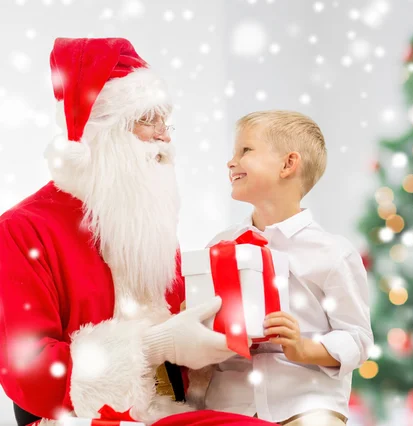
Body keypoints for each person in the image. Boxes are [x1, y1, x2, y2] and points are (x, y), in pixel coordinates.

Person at [0, 38, 274, 426]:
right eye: (148, 120)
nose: (165, 136)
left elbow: (183, 335)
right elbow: (32, 374)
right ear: (103, 130)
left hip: (170, 412)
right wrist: (152, 346)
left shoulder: (147, 220)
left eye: (167, 121)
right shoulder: (22, 229)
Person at [204, 110, 373, 425]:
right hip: (230, 405)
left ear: (288, 164)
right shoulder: (220, 247)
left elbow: (357, 338)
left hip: (306, 404)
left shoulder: (333, 253)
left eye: (245, 151)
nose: (231, 162)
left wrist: (304, 349)